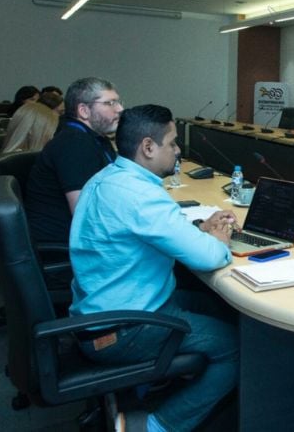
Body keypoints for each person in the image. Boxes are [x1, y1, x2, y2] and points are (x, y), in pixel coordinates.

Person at [69, 104, 238, 432]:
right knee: (236, 346)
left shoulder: (106, 178)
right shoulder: (140, 195)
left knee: (223, 308)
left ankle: (169, 381)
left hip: (102, 313)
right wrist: (218, 239)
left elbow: (146, 233)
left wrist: (199, 231)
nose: (177, 151)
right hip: (124, 329)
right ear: (148, 147)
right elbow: (210, 258)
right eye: (172, 144)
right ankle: (157, 425)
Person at [25, 77, 123, 245]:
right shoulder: (74, 143)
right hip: (67, 246)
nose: (120, 108)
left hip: (79, 238)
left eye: (118, 102)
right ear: (84, 111)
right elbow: (86, 215)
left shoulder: (94, 138)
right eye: (110, 103)